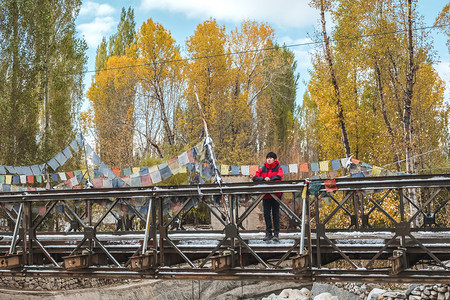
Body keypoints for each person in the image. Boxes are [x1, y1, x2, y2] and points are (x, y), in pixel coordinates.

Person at [252, 152, 283, 242]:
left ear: (274, 159)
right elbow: (254, 178)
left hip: (276, 195)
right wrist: (263, 178)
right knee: (266, 214)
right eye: (268, 158)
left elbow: (279, 177)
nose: (269, 159)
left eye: (271, 158)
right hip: (265, 195)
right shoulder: (262, 169)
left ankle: (276, 233)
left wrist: (270, 178)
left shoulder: (278, 168)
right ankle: (268, 233)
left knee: (275, 214)